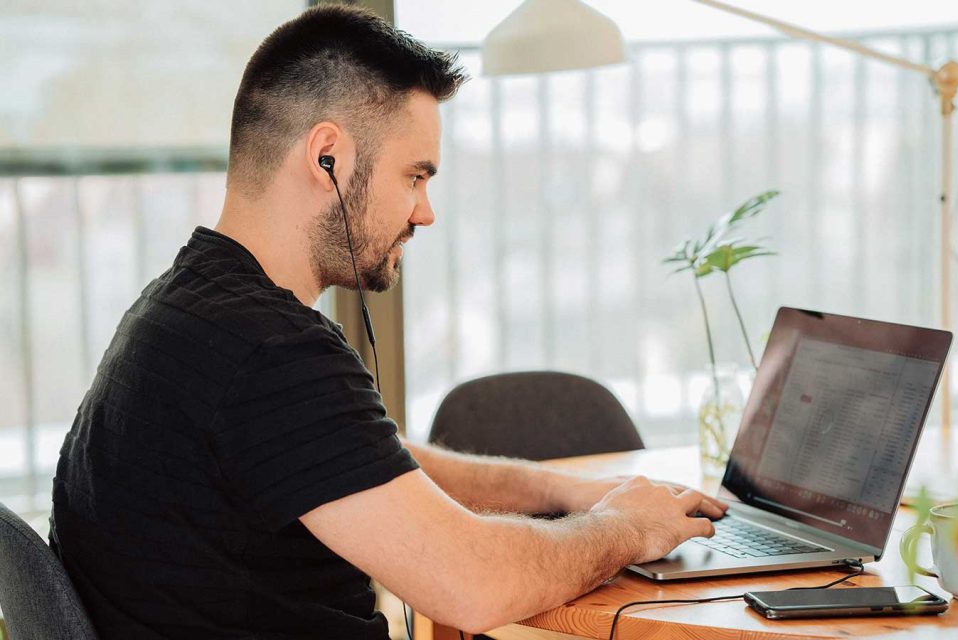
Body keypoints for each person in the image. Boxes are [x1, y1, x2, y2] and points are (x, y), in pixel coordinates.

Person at [49, 5, 726, 639]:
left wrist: (562, 491)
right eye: (415, 176)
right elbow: (474, 584)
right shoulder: (269, 351)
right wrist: (621, 528)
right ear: (328, 158)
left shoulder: (186, 305)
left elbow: (366, 459)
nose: (425, 211)